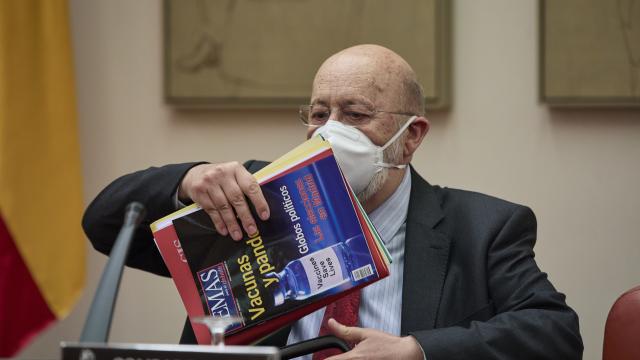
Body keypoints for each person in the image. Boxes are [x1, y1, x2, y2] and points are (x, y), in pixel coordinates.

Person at [83, 44, 583, 359]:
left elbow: (555, 335)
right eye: (319, 113)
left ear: (411, 138)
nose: (329, 132)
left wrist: (417, 351)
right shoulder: (251, 199)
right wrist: (188, 181)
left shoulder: (483, 226)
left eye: (356, 114)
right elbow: (104, 223)